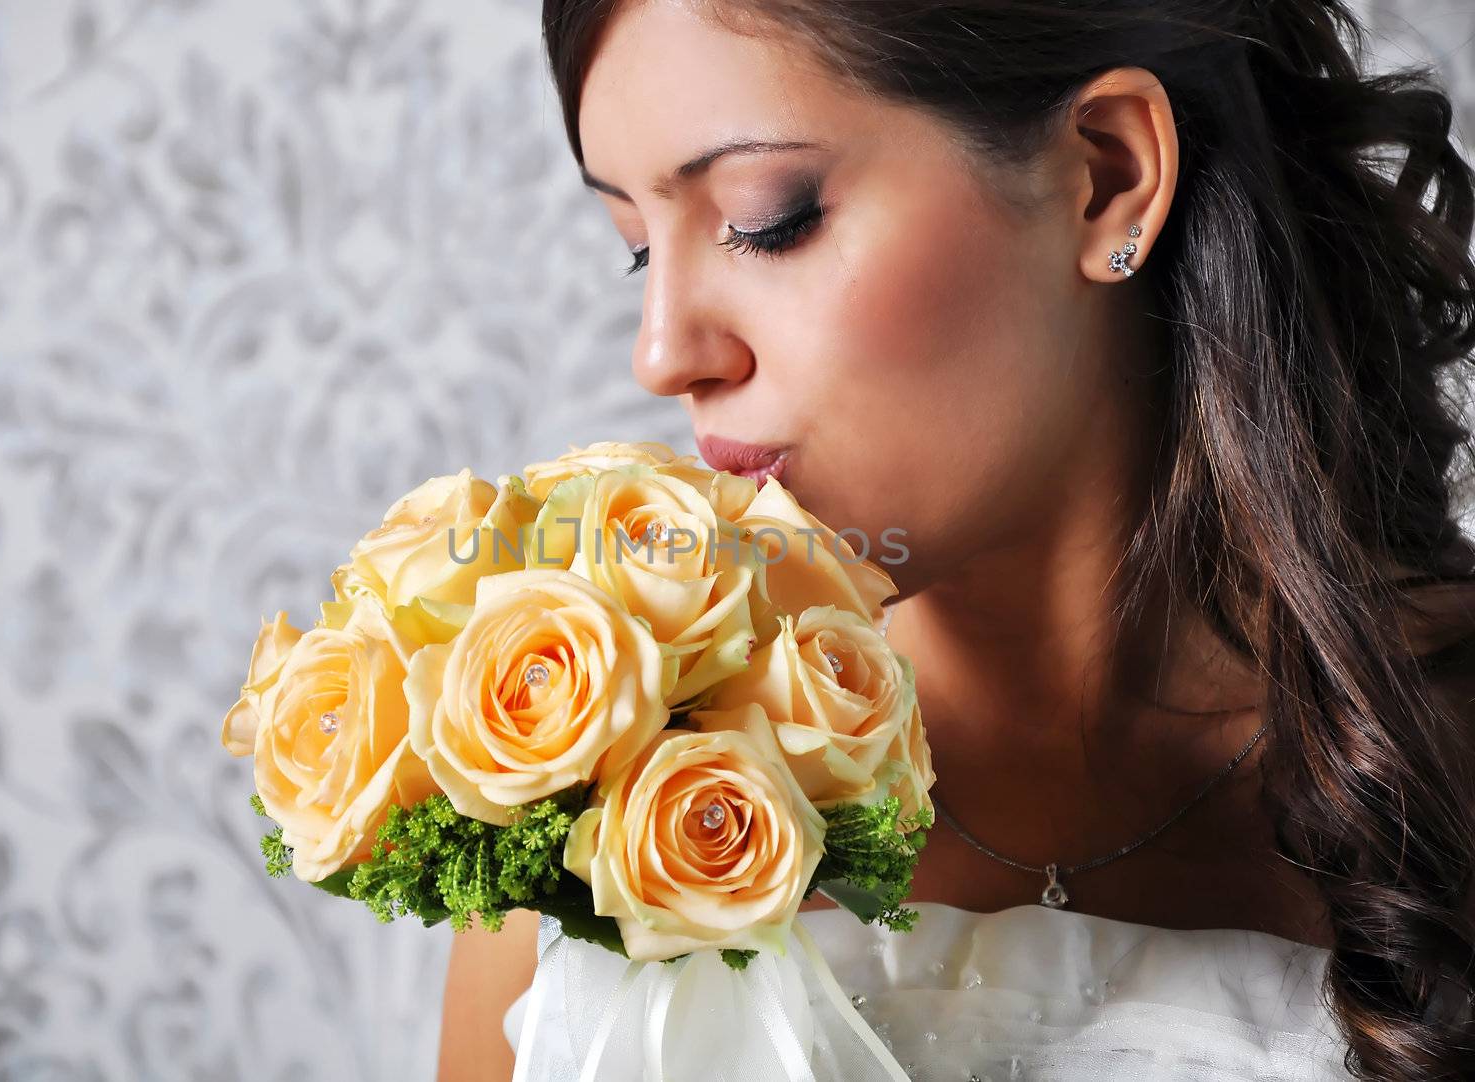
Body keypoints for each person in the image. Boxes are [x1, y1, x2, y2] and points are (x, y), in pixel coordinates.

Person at [439, 0, 1475, 1077]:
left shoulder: (1446, 747)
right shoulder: (582, 771)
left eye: (767, 216)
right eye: (637, 248)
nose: (663, 353)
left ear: (1106, 175)